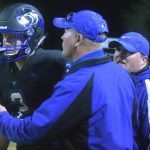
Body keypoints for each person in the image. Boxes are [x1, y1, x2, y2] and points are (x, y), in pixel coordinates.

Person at [0, 10, 136, 150]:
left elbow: (31, 132)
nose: (62, 37)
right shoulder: (122, 73)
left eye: (66, 31)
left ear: (77, 39)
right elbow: (135, 126)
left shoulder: (78, 82)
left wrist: (2, 116)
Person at [0, 3, 67, 150]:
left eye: (12, 37)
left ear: (33, 35)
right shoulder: (3, 68)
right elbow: (3, 120)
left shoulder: (54, 63)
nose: (5, 42)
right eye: (4, 36)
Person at [109, 32, 150, 150]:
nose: (120, 55)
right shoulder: (114, 80)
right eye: (118, 49)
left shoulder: (147, 86)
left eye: (128, 52)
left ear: (144, 60)